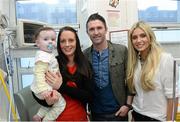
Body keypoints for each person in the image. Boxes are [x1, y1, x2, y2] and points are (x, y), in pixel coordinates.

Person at [32, 26, 93, 121]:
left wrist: (61, 86)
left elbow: (90, 96)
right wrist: (48, 102)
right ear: (58, 44)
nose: (67, 44)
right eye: (63, 41)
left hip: (80, 117)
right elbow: (37, 89)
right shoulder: (52, 62)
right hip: (58, 117)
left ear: (77, 42)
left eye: (71, 40)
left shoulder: (85, 64)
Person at [83, 13, 133, 121]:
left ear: (106, 29)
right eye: (91, 29)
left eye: (99, 28)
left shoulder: (121, 51)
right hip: (96, 114)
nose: (96, 32)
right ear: (87, 33)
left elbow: (130, 79)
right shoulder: (84, 55)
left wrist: (128, 106)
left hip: (119, 113)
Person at [126, 21, 179, 121]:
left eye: (143, 36)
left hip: (157, 118)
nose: (139, 40)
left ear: (150, 38)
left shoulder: (165, 59)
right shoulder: (135, 61)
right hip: (137, 116)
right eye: (134, 37)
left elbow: (173, 97)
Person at [31, 27, 66, 121]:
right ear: (37, 43)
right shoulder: (43, 56)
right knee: (61, 104)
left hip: (45, 88)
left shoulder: (47, 54)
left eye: (53, 39)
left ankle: (38, 116)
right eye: (46, 39)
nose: (50, 42)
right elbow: (38, 73)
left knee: (52, 103)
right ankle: (47, 120)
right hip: (43, 89)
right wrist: (43, 90)